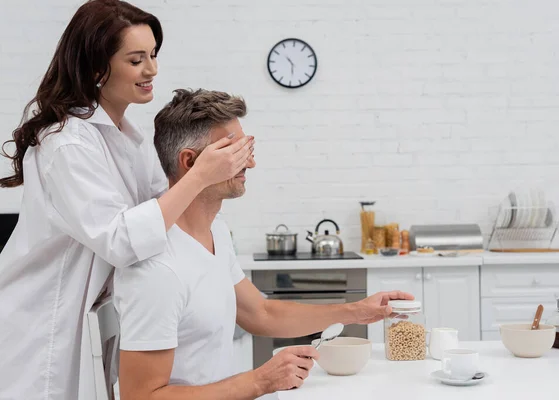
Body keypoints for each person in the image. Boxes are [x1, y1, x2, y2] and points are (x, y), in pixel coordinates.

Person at [0, 1, 253, 399]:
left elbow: (166, 204)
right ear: (98, 68)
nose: (151, 70)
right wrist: (203, 172)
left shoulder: (128, 136)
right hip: (41, 321)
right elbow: (120, 241)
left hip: (86, 314)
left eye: (153, 55)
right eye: (136, 60)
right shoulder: (66, 143)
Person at [114, 88, 414, 399]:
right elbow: (140, 397)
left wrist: (356, 312)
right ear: (190, 162)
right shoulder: (157, 268)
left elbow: (261, 313)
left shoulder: (213, 231)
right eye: (234, 152)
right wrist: (259, 381)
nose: (251, 163)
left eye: (247, 149)